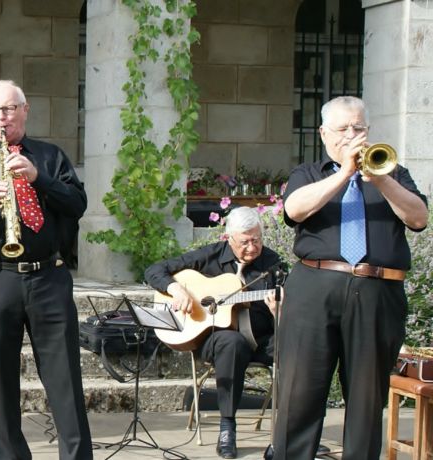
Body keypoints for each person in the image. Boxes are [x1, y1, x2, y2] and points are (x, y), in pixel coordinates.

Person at [270, 96, 428, 459]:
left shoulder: (394, 173)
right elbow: (294, 209)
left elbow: (418, 218)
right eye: (343, 129)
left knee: (367, 399)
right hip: (314, 287)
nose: (352, 135)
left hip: (377, 291)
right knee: (299, 393)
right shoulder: (308, 173)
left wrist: (381, 180)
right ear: (324, 133)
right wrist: (344, 172)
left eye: (359, 128)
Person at [0, 80, 93, 460]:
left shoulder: (50, 157)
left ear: (25, 110)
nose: (2, 118)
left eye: (9, 109)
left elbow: (77, 204)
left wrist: (37, 178)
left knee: (65, 383)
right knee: (2, 382)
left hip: (48, 278)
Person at [145, 206, 282, 458]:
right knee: (232, 342)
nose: (252, 248)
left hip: (261, 339)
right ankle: (227, 427)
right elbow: (154, 270)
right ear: (229, 238)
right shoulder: (210, 256)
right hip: (214, 340)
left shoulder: (272, 264)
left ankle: (292, 431)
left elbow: (289, 307)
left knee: (298, 345)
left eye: (256, 240)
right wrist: (177, 290)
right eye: (244, 242)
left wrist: (280, 312)